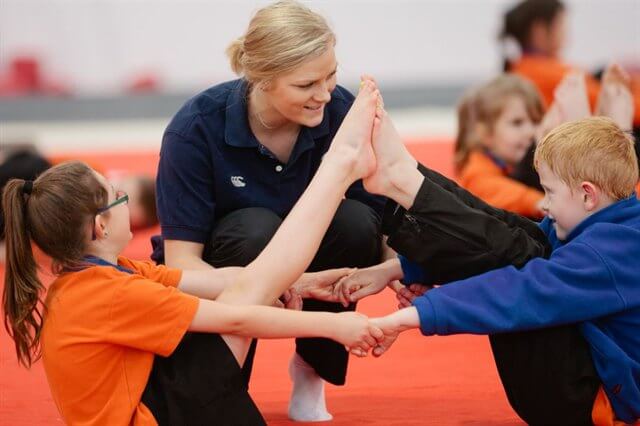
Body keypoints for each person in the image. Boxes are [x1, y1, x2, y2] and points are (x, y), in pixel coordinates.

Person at [2, 81, 385, 425]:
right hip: (154, 414)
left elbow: (219, 281)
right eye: (117, 195)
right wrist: (333, 326)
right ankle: (337, 170)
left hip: (149, 399)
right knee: (243, 295)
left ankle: (338, 170)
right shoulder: (110, 293)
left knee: (247, 285)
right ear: (99, 227)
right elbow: (235, 319)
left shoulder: (108, 272)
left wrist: (307, 283)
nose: (125, 200)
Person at [153, 1, 386, 420]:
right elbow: (181, 265)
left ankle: (314, 367)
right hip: (225, 269)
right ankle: (227, 375)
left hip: (303, 265)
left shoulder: (338, 110)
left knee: (355, 223)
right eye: (306, 85)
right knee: (253, 229)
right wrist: (291, 281)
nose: (325, 94)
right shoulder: (194, 129)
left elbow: (383, 213)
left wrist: (396, 269)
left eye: (331, 75)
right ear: (260, 78)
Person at [339, 111, 639, 424]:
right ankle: (410, 178)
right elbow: (508, 230)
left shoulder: (617, 249)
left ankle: (410, 183)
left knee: (514, 259)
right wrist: (400, 269)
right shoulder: (610, 225)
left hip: (591, 404)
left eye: (549, 193)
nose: (545, 204)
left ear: (588, 195)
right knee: (520, 237)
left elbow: (524, 290)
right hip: (582, 380)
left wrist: (407, 318)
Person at [500, 0, 640, 127]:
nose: (566, 33)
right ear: (539, 31)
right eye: (561, 25)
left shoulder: (521, 67)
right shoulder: (547, 73)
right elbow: (630, 109)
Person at [454, 74, 546, 218]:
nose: (531, 132)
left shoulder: (511, 164)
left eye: (536, 121)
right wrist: (543, 203)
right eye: (517, 122)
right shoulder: (476, 170)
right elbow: (506, 193)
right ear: (485, 134)